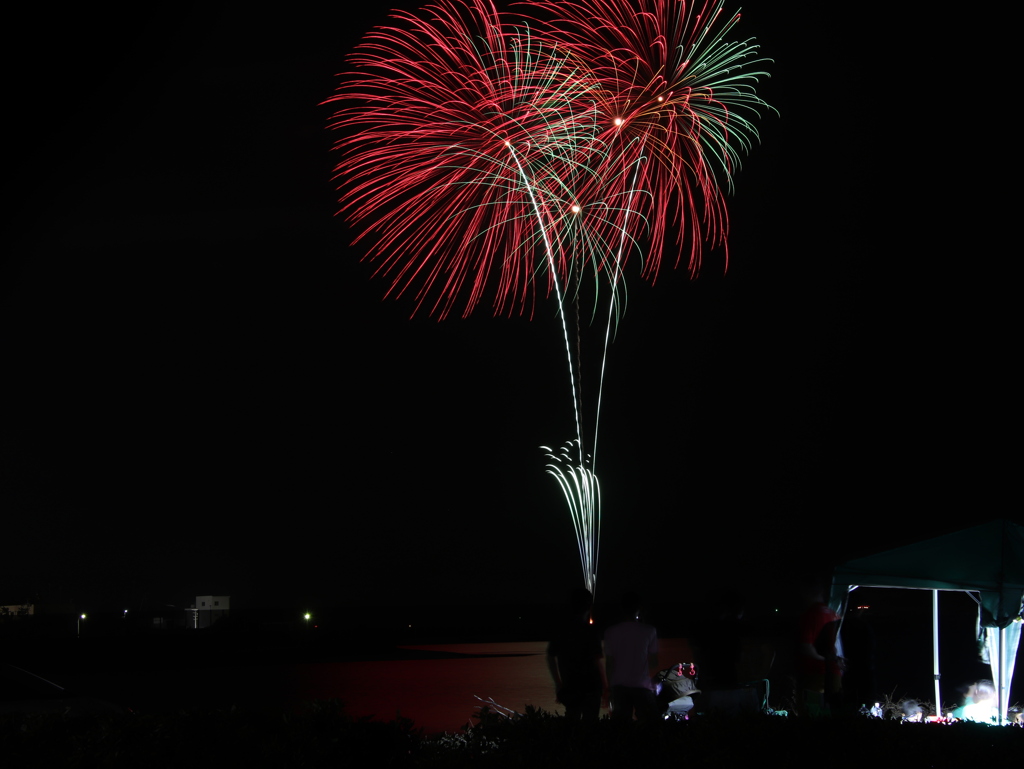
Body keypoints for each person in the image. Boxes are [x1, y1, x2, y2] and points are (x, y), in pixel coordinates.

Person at [547, 588, 607, 721]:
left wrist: (558, 683)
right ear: (589, 605)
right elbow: (598, 661)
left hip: (570, 686)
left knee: (572, 722)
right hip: (591, 687)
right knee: (590, 724)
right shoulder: (591, 631)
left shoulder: (562, 630)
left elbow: (550, 656)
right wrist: (605, 686)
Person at [604, 591, 659, 721]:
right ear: (639, 608)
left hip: (619, 686)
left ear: (622, 609)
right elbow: (654, 663)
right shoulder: (649, 631)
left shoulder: (610, 632)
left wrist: (609, 688)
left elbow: (609, 663)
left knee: (621, 728)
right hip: (642, 686)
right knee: (650, 723)